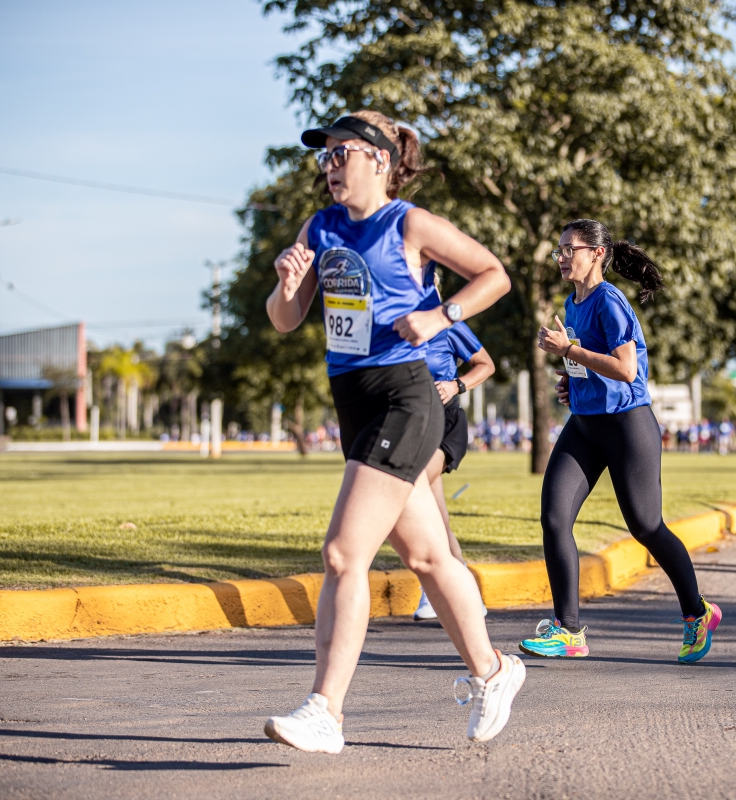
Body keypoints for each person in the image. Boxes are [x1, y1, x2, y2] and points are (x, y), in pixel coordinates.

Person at [262, 111, 522, 752]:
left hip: (404, 397)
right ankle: (493, 670)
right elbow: (287, 320)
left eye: (340, 152)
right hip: (352, 399)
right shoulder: (319, 228)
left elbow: (495, 274)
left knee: (343, 553)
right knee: (428, 557)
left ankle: (326, 710)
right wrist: (286, 285)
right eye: (323, 156)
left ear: (379, 159)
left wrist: (441, 315)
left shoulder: (408, 223)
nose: (329, 166)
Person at [518, 219, 721, 664]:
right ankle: (568, 630)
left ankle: (697, 612)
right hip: (585, 425)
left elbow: (627, 370)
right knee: (554, 518)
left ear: (597, 253)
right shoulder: (572, 303)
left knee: (646, 526)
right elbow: (593, 364)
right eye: (558, 250)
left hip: (628, 426)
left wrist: (568, 351)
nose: (561, 257)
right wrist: (572, 381)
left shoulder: (609, 300)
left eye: (569, 249)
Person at [412, 320, 495, 620]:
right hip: (413, 427)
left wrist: (456, 385)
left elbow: (486, 365)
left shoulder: (449, 326)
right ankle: (469, 595)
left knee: (412, 487)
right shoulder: (396, 324)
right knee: (440, 520)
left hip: (446, 424)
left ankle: (431, 588)